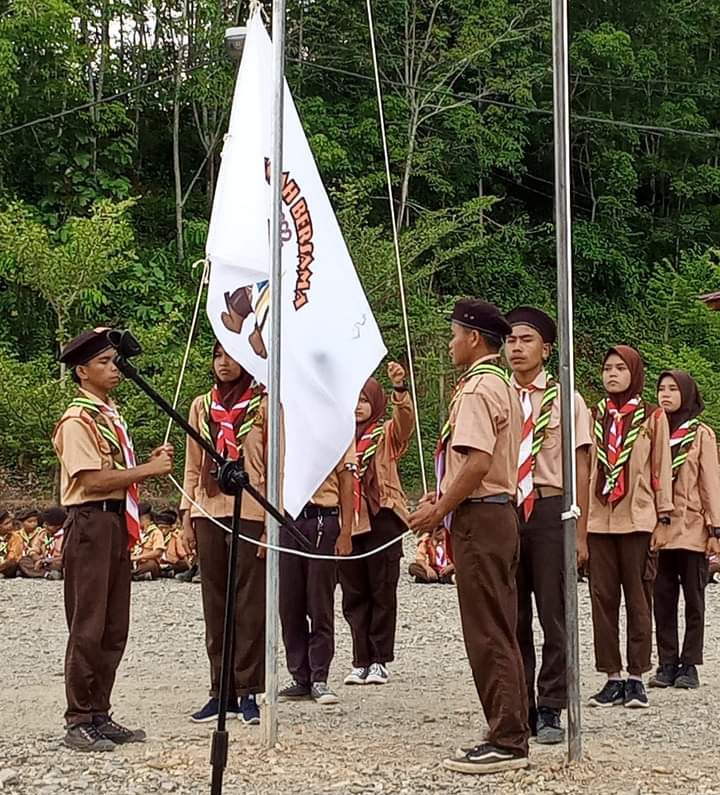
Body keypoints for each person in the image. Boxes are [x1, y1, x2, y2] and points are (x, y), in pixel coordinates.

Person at [410, 299, 528, 775]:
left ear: (474, 338)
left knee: (488, 630)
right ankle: (508, 727)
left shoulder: (480, 387)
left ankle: (507, 739)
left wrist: (440, 509)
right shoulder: (501, 384)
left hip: (482, 516)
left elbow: (477, 461)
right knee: (499, 623)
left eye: (455, 334)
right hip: (493, 513)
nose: (451, 342)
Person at [53, 327, 174, 751]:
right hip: (90, 522)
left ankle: (100, 711)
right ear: (82, 371)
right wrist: (147, 471)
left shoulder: (108, 413)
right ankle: (78, 718)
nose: (114, 368)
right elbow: (91, 479)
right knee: (88, 623)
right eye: (103, 362)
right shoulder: (77, 420)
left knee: (113, 624)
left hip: (114, 523)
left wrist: (147, 464)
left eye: (113, 360)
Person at [505, 307, 592, 744]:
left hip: (550, 507)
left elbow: (580, 464)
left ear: (546, 348)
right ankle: (520, 703)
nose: (517, 348)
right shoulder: (497, 395)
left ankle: (552, 706)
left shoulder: (566, 398)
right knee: (511, 614)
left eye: (526, 340)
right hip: (506, 509)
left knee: (554, 613)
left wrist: (581, 528)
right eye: (511, 341)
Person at [181, 341, 268, 726]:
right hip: (209, 509)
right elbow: (191, 464)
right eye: (217, 355)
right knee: (214, 604)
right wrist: (187, 516)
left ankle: (249, 690)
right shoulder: (201, 407)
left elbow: (278, 466)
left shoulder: (264, 406)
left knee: (249, 604)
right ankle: (221, 692)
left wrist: (271, 522)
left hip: (251, 511)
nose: (224, 363)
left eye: (232, 355)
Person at [586, 346, 673, 710]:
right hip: (598, 520)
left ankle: (637, 676)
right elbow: (585, 465)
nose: (612, 374)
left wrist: (664, 517)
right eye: (607, 368)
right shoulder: (595, 415)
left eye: (621, 368)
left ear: (634, 373)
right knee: (602, 599)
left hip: (637, 519)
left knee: (638, 599)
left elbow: (662, 467)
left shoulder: (652, 418)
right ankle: (612, 676)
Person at [339, 362, 414, 687]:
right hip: (350, 520)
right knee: (354, 591)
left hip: (383, 516)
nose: (358, 406)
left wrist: (399, 391)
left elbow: (405, 426)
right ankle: (360, 659)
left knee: (382, 588)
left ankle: (380, 659)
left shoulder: (384, 434)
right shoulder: (337, 436)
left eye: (364, 400)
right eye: (353, 399)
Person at [649, 371, 720, 690]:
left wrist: (716, 528)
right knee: (662, 597)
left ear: (687, 393)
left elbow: (710, 483)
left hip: (692, 526)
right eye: (661, 388)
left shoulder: (700, 434)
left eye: (673, 389)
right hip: (658, 527)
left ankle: (689, 664)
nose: (665, 394)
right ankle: (666, 662)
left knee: (694, 597)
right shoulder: (651, 429)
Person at [278, 444, 355, 705]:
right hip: (288, 517)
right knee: (289, 601)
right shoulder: (285, 422)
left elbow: (347, 479)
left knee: (319, 600)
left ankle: (319, 674)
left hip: (323, 517)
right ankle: (299, 674)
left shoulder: (336, 425)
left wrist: (346, 532)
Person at [17, 506, 67, 580]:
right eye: (44, 524)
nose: (44, 526)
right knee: (23, 561)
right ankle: (46, 574)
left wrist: (46, 561)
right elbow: (34, 548)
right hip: (42, 562)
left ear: (58, 526)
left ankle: (33, 572)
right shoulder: (43, 534)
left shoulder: (65, 536)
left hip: (55, 562)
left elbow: (65, 557)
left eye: (47, 524)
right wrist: (35, 556)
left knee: (62, 564)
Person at [131, 507, 166, 581]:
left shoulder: (156, 532)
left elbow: (158, 552)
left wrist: (138, 557)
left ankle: (134, 575)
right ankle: (136, 575)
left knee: (151, 566)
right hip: (136, 563)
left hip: (148, 562)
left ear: (145, 519)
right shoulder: (137, 533)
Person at [0, 509, 22, 579]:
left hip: (7, 565)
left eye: (10, 522)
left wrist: (4, 563)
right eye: (6, 524)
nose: (10, 525)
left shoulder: (15, 537)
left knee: (13, 562)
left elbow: (13, 555)